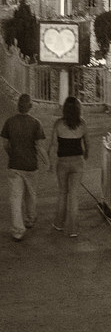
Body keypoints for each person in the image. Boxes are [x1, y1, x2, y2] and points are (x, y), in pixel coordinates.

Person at [1, 93, 48, 242]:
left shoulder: (9, 122)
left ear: (18, 106)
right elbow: (39, 147)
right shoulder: (36, 123)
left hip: (14, 165)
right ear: (30, 107)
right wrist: (47, 161)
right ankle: (30, 219)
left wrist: (12, 154)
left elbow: (5, 144)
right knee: (31, 194)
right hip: (30, 166)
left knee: (15, 198)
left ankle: (17, 231)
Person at [48, 95, 88, 238]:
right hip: (78, 162)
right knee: (74, 195)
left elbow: (53, 145)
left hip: (62, 162)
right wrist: (85, 156)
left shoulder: (58, 124)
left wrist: (51, 163)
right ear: (78, 109)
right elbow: (87, 144)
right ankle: (73, 229)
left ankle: (59, 223)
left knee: (63, 193)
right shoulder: (82, 124)